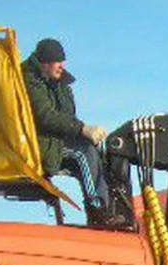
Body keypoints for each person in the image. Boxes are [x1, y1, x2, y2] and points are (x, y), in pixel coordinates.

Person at [21, 38, 129, 228]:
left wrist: (85, 134)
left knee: (104, 153)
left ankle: (116, 209)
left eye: (63, 61)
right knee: (83, 153)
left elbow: (66, 117)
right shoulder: (31, 81)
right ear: (44, 63)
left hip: (56, 140)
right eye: (57, 61)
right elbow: (45, 116)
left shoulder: (59, 84)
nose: (62, 66)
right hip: (38, 143)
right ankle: (98, 212)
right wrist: (82, 129)